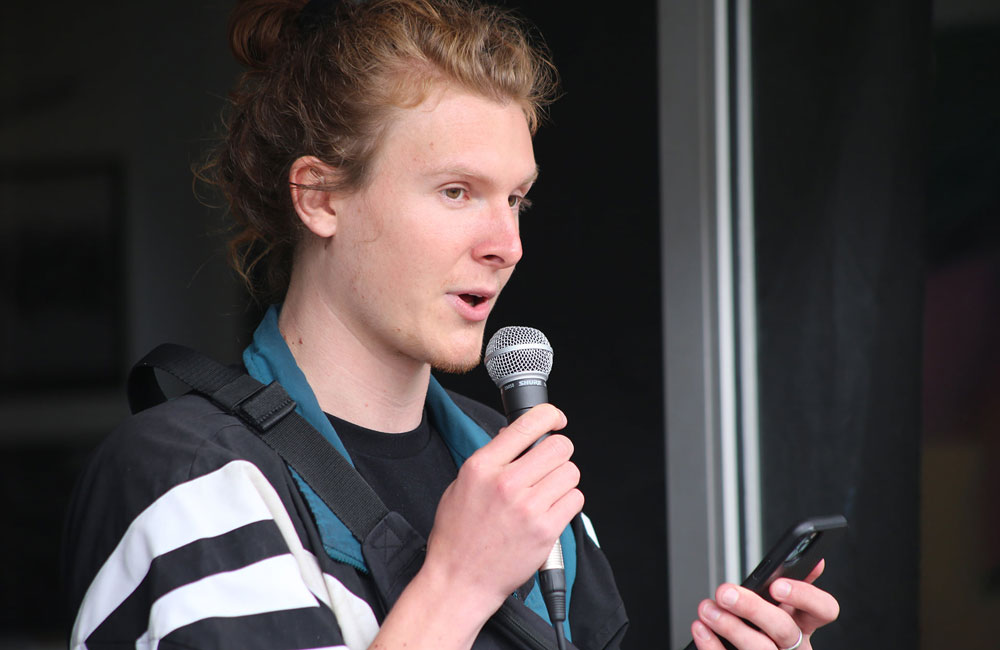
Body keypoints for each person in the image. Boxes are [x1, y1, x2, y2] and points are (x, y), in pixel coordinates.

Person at [61, 1, 839, 649]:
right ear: (320, 198)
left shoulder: (510, 469)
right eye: (457, 191)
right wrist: (458, 584)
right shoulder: (189, 474)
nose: (508, 244)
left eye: (517, 198)